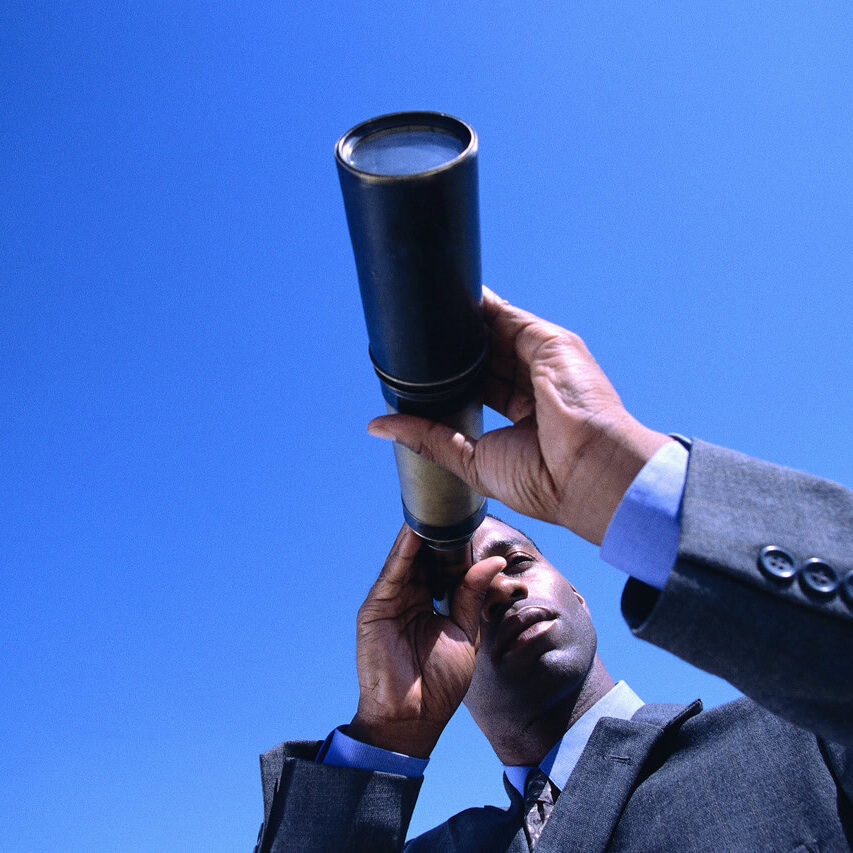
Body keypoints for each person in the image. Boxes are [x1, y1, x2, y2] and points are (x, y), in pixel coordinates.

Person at [254, 289, 853, 852]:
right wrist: (387, 732)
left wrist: (620, 477)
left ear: (579, 594)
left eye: (515, 561)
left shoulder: (796, 748)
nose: (499, 589)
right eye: (459, 596)